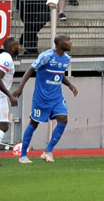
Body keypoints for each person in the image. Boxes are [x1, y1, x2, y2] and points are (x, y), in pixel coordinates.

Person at [11, 34, 76, 163]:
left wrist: (69, 84)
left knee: (63, 118)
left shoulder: (67, 59)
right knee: (34, 123)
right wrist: (20, 88)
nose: (70, 43)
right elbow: (30, 70)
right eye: (67, 41)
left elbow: (59, 74)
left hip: (57, 97)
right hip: (41, 98)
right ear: (59, 43)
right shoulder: (46, 56)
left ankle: (48, 152)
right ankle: (23, 155)